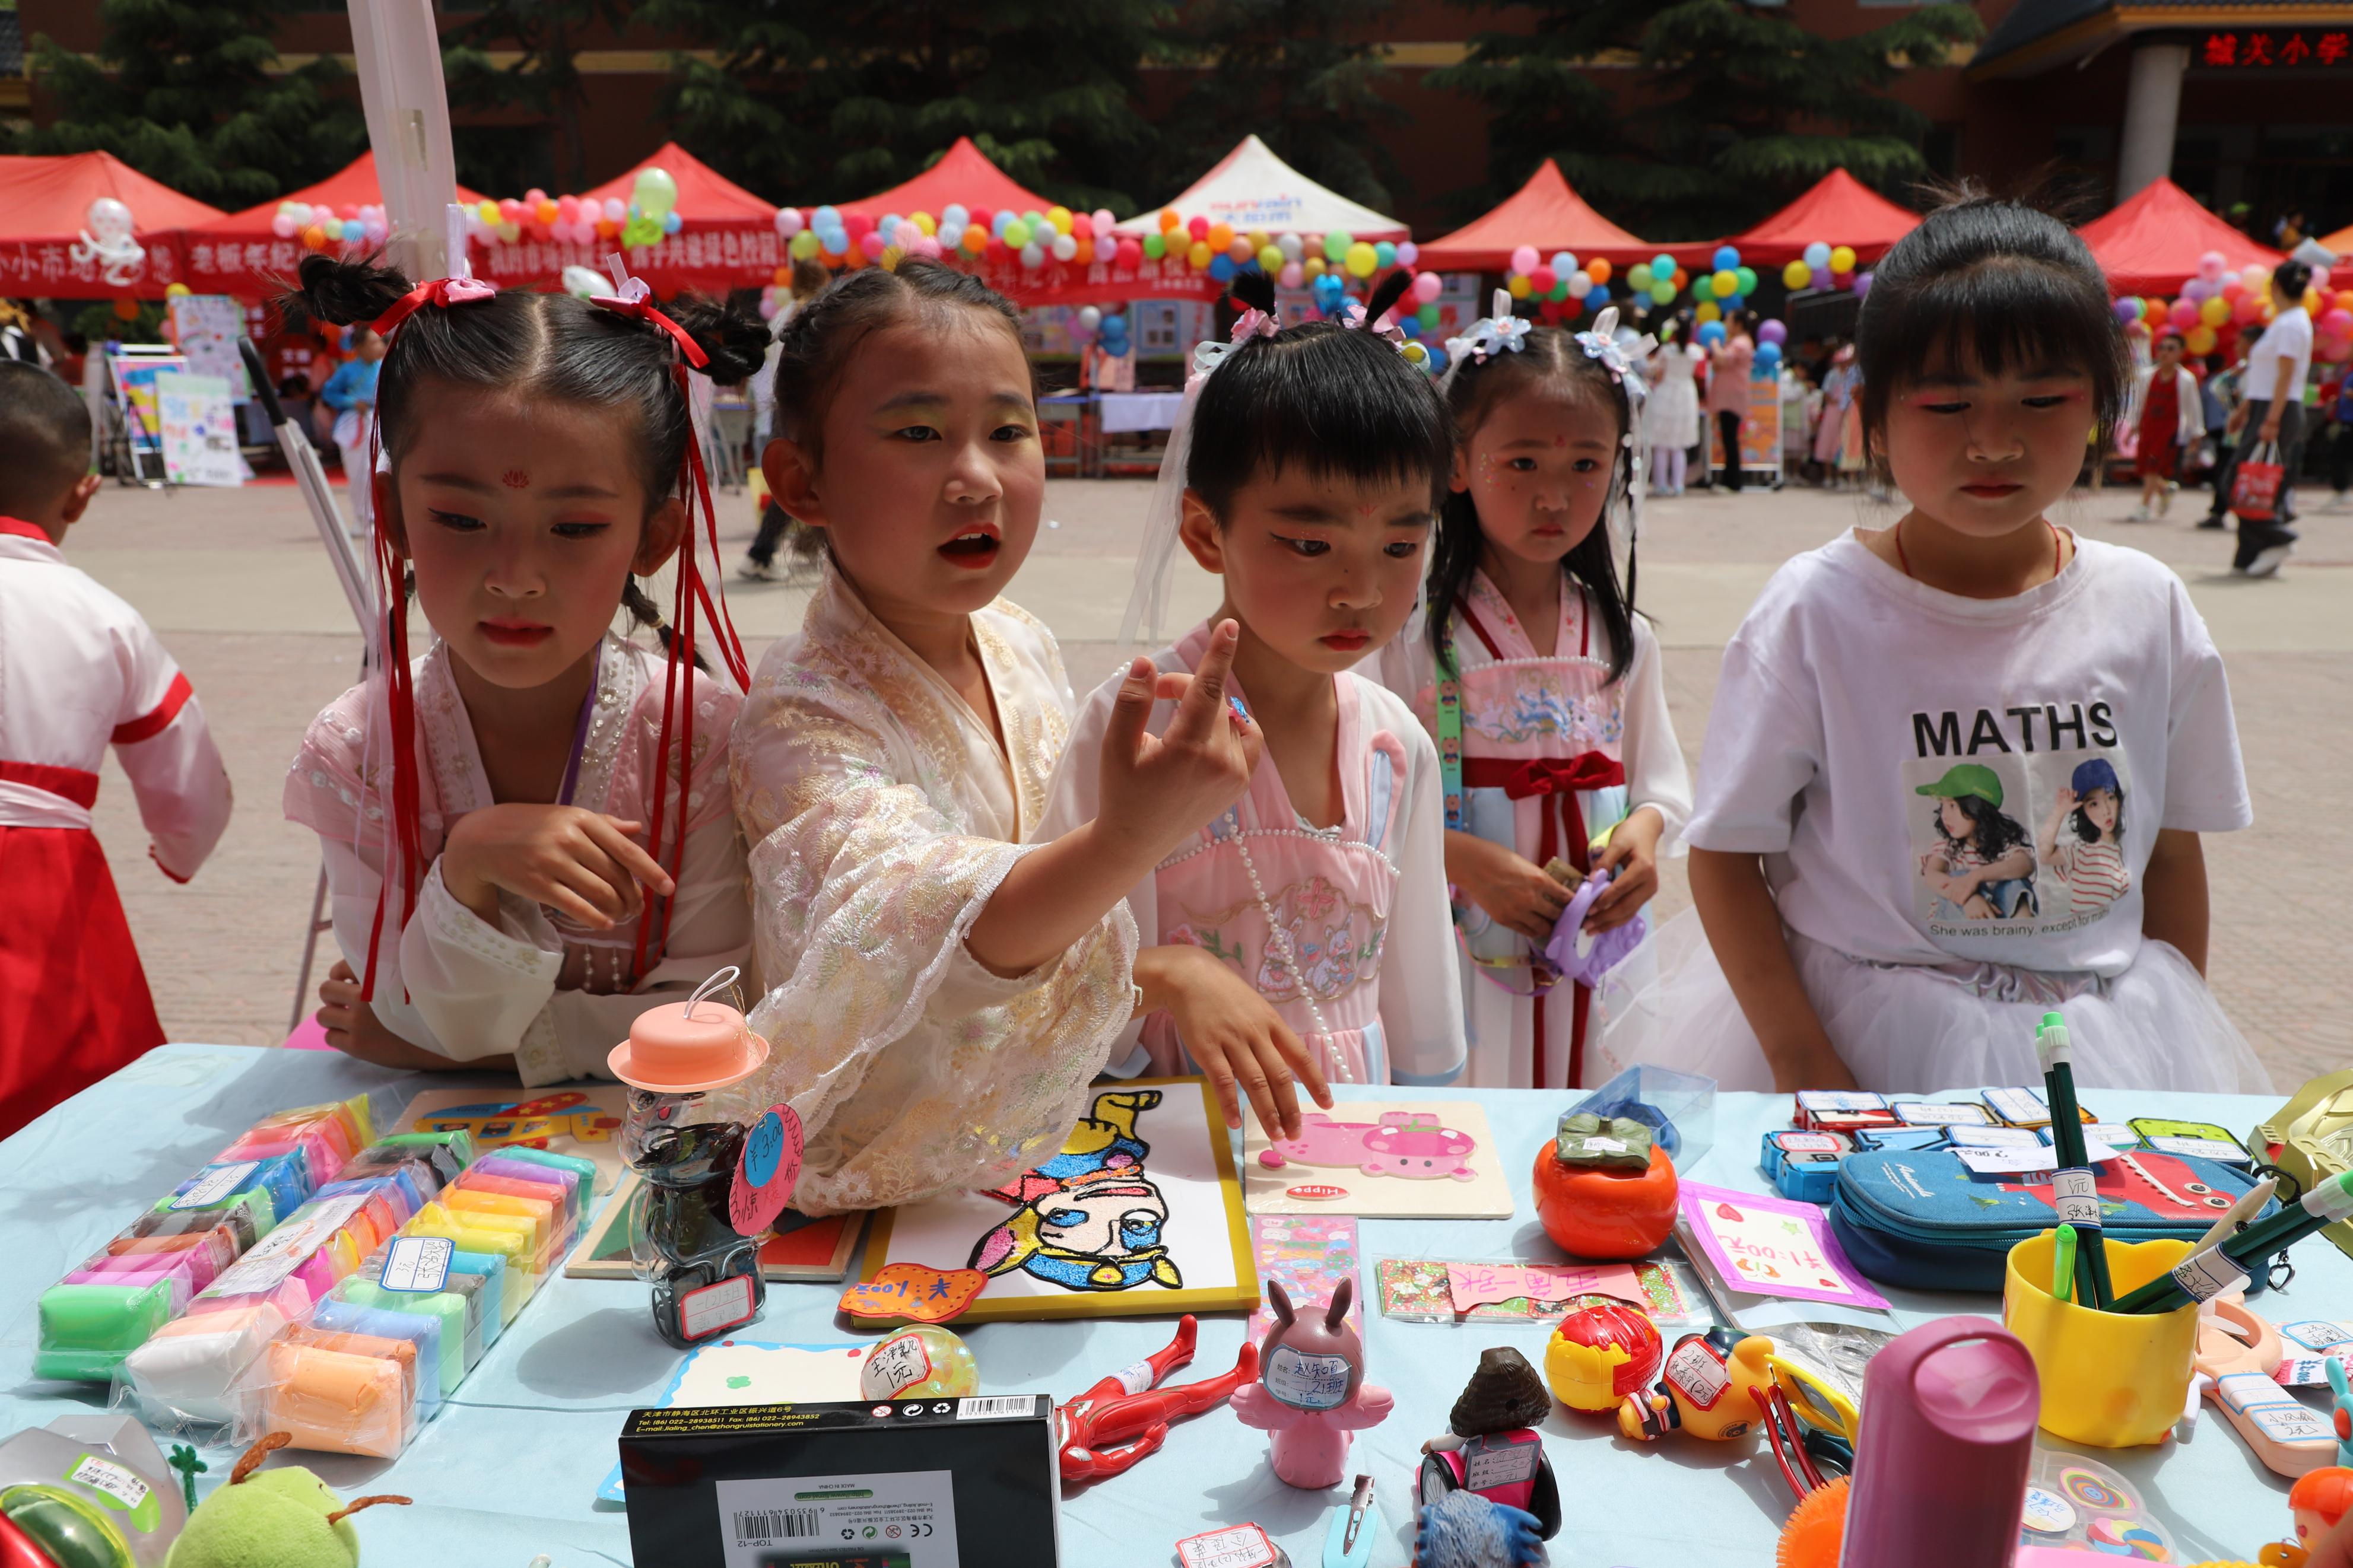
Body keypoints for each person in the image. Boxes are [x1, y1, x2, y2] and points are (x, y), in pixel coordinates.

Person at [1653, 190, 2266, 1093]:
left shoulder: (2148, 605)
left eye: (2041, 399)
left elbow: (2172, 851)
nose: (1993, 440)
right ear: (1874, 414)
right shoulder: (1818, 611)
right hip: (1868, 1041)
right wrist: (1800, 1055)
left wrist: (2168, 1061)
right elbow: (1725, 851)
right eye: (1947, 404)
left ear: (2100, 404)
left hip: (2100, 1046)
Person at [735, 260, 1294, 1215]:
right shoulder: (800, 710)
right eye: (918, 433)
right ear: (801, 480)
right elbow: (916, 941)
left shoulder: (1018, 642)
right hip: (866, 1184)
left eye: (1007, 431)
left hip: (1033, 1154)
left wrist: (1151, 956)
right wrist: (1128, 842)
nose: (976, 477)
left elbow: (1049, 924)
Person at [281, 255, 764, 1087]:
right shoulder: (358, 745)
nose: (514, 575)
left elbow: (716, 1010)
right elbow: (396, 1008)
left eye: (574, 528)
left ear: (654, 538)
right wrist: (469, 861)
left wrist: (444, 1037)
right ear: (394, 515)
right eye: (461, 517)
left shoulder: (702, 738)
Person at [1038, 268, 1467, 1096]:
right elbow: (1051, 978)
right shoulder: (1135, 725)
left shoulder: (1394, 742)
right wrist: (1165, 974)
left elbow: (1422, 996)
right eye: (1310, 545)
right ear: (1206, 531)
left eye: (1399, 546)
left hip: (1356, 1139)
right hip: (1174, 1155)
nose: (1360, 590)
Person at [1370, 296, 1690, 1089]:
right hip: (1461, 933)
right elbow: (1361, 798)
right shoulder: (1410, 637)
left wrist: (1643, 838)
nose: (1555, 497)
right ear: (1456, 463)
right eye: (1521, 463)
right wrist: (1467, 860)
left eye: (1585, 464)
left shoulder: (1625, 637)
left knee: (1591, 1109)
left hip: (1598, 943)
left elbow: (1659, 783)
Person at [0, 362, 231, 1136]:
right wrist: (178, 849)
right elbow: (188, 776)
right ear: (82, 492)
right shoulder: (103, 618)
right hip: (43, 881)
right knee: (72, 1118)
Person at [2203, 257, 2314, 574]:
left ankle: (2278, 537)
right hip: (2268, 405)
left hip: (2279, 408)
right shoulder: (2286, 321)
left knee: (2239, 479)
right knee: (2256, 481)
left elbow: (2285, 375)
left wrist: (2271, 419)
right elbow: (2265, 377)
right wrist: (2245, 410)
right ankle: (2249, 557)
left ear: (2275, 286)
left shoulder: (2292, 323)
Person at [743, 257, 830, 582]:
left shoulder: (783, 313)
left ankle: (777, 551)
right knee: (803, 485)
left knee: (799, 485)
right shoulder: (815, 311)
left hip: (780, 408)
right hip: (803, 411)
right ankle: (761, 553)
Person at [318, 326, 386, 551]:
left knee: (378, 471)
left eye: (380, 342)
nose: (380, 346)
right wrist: (351, 402)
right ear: (359, 347)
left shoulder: (384, 368)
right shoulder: (347, 371)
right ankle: (361, 517)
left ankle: (380, 516)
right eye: (374, 342)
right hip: (354, 424)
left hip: (379, 423)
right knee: (359, 472)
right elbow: (330, 393)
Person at [2126, 329, 2203, 520]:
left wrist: (2197, 433)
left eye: (2171, 348)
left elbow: (2193, 408)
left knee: (2153, 466)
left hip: (2169, 430)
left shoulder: (2185, 380)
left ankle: (2144, 506)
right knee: (2145, 467)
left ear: (2180, 353)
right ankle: (2165, 489)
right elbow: (2139, 403)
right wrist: (2133, 426)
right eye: (2162, 348)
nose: (2165, 352)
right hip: (2148, 427)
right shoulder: (2147, 376)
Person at [1643, 314, 1701, 497]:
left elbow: (1658, 375)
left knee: (1661, 444)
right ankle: (1678, 485)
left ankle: (1661, 485)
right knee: (1679, 445)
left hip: (1666, 393)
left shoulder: (1667, 351)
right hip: (1686, 394)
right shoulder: (1695, 351)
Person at [1706, 311, 1755, 491]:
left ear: (1739, 324)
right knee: (1728, 438)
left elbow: (1722, 359)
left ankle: (1732, 482)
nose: (1726, 324)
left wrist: (1715, 345)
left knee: (1730, 439)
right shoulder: (1736, 342)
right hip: (1728, 397)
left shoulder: (1740, 343)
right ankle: (1730, 480)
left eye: (1729, 321)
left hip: (1732, 397)